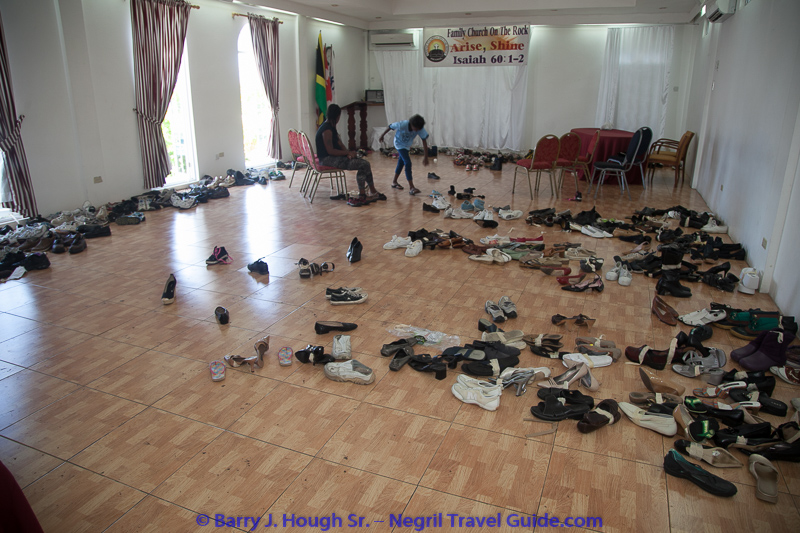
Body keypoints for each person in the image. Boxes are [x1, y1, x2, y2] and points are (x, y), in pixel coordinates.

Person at [316, 104, 384, 207]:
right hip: (327, 159)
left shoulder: (331, 126)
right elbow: (330, 151)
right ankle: (365, 194)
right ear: (337, 116)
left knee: (363, 163)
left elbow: (339, 143)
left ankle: (371, 191)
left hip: (333, 157)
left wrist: (349, 153)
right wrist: (347, 153)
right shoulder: (327, 130)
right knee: (363, 164)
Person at [379, 115, 430, 195]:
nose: (416, 130)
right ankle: (411, 187)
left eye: (418, 129)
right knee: (407, 162)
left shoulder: (420, 128)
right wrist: (382, 135)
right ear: (411, 124)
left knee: (401, 163)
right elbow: (390, 126)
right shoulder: (402, 124)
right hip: (398, 144)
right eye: (415, 128)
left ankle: (394, 182)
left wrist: (426, 157)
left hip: (407, 146)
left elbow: (424, 141)